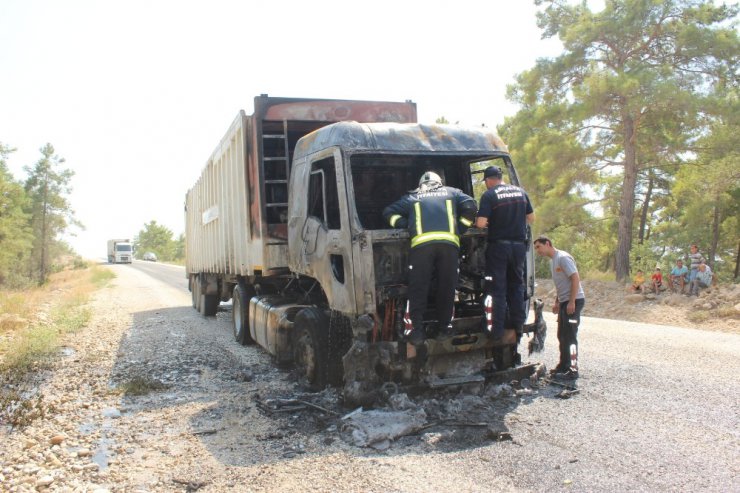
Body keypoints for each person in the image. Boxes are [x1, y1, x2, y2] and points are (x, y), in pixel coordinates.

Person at [383, 171, 477, 344]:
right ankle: (445, 329)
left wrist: (406, 225)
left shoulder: (412, 197)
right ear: (439, 182)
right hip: (449, 246)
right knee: (447, 288)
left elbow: (388, 212)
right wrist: (461, 228)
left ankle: (416, 333)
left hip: (421, 247)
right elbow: (471, 206)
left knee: (418, 289)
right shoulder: (452, 193)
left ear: (421, 185)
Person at [475, 165, 535, 342]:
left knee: (497, 289)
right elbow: (531, 218)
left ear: (489, 180)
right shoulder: (520, 192)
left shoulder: (490, 195)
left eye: (486, 181)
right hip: (518, 247)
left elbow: (480, 224)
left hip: (499, 248)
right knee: (516, 285)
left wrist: (495, 221)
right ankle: (518, 323)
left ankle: (496, 330)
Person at [533, 236, 585, 380]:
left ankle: (573, 369)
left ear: (547, 244)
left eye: (539, 247)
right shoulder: (553, 261)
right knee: (562, 335)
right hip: (564, 301)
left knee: (570, 336)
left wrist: (572, 302)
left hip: (574, 301)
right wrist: (558, 301)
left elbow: (575, 278)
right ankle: (563, 365)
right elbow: (561, 283)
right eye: (535, 248)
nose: (537, 251)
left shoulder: (562, 258)